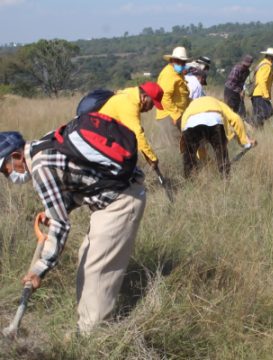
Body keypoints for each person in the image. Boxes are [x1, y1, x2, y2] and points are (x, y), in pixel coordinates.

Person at [0, 107, 154, 333]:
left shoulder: (40, 167)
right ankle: (85, 322)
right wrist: (58, 209)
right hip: (114, 198)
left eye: (5, 170)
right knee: (86, 258)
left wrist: (39, 270)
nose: (8, 176)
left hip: (121, 201)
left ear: (15, 157)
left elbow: (61, 226)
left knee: (96, 268)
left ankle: (93, 336)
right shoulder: (42, 144)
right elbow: (84, 178)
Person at [180, 96, 256, 178]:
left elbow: (183, 127)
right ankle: (225, 178)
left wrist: (185, 149)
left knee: (189, 156)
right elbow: (236, 118)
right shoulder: (219, 103)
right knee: (220, 151)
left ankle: (189, 180)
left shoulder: (190, 107)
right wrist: (245, 142)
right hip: (215, 121)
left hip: (191, 123)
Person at [98, 82, 164, 169]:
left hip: (107, 134)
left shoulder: (131, 94)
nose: (150, 109)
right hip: (99, 138)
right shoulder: (129, 104)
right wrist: (152, 158)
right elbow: (137, 133)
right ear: (144, 97)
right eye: (151, 104)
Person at [156, 46, 190, 145]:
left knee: (184, 145)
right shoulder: (168, 74)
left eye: (184, 62)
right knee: (177, 146)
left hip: (177, 115)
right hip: (170, 116)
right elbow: (164, 97)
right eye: (179, 61)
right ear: (172, 60)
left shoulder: (178, 73)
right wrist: (176, 116)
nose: (182, 64)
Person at [250, 47, 273, 128]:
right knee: (268, 112)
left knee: (259, 114)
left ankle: (257, 130)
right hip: (260, 94)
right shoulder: (267, 66)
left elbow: (265, 80)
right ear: (271, 58)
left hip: (257, 94)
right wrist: (266, 95)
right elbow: (261, 81)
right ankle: (249, 122)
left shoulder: (263, 64)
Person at [224, 54, 253, 118]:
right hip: (230, 91)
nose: (246, 67)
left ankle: (241, 122)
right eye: (245, 65)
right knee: (229, 109)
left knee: (241, 111)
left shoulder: (247, 71)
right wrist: (240, 91)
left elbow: (244, 83)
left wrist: (243, 90)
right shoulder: (237, 69)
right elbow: (231, 83)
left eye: (247, 65)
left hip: (238, 91)